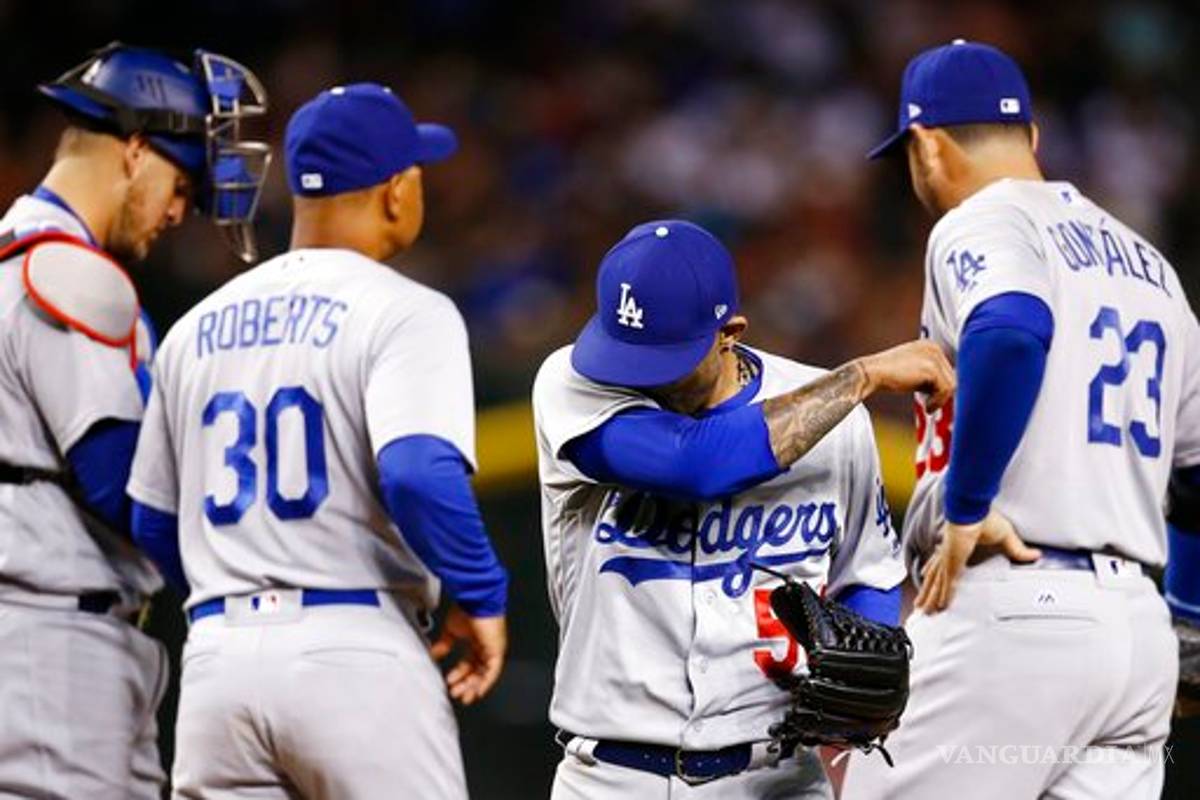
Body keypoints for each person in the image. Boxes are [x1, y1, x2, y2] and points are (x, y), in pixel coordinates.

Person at [127, 82, 508, 799]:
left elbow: (152, 519)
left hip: (217, 667)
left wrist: (233, 588)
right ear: (397, 191)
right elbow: (419, 473)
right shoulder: (405, 311)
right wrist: (481, 595)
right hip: (354, 647)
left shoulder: (194, 328)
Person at [842, 39, 1199, 799]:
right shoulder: (1152, 267)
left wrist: (967, 503)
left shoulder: (978, 222)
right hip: (1135, 637)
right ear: (1032, 139)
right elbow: (1197, 476)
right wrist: (1190, 622)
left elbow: (1010, 328)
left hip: (1019, 612)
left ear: (926, 147)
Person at [531, 218, 956, 798]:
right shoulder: (572, 384)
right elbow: (696, 466)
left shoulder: (838, 424)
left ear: (729, 332)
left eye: (664, 359)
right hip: (613, 777)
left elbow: (870, 573)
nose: (639, 378)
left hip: (777, 775)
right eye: (626, 354)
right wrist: (864, 375)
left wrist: (867, 669)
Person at [0, 43, 268, 799]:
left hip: (48, 638)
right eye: (181, 182)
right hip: (49, 645)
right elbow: (119, 485)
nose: (182, 210)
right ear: (137, 152)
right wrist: (259, 586)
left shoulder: (19, 257)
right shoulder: (67, 270)